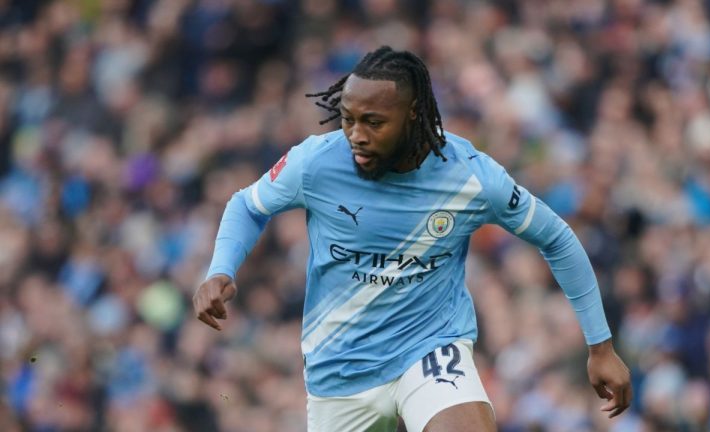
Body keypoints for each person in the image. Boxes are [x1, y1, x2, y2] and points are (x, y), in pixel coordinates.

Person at [193, 46, 632, 432]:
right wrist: (220, 269)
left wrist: (601, 346)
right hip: (339, 369)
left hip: (429, 347)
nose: (356, 136)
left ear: (415, 115)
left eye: (374, 122)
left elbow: (556, 238)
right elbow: (248, 204)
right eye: (347, 120)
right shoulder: (315, 163)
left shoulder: (471, 177)